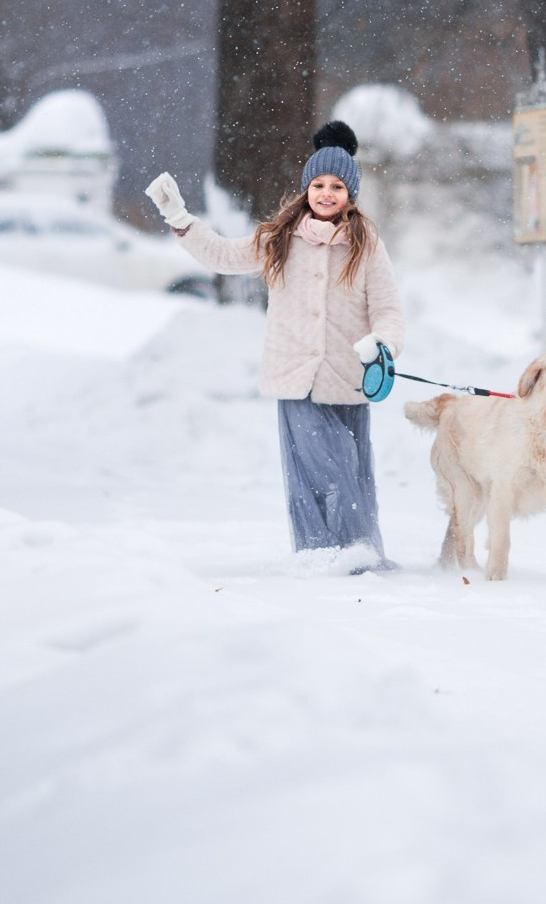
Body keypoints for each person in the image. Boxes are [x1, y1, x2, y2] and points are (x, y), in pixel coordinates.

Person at [145, 122, 405, 571]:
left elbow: (388, 308)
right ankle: (328, 554)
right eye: (319, 184)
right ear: (306, 189)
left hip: (348, 375)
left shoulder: (366, 246)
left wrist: (384, 344)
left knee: (350, 469)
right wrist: (180, 219)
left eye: (337, 186)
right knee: (317, 470)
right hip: (294, 376)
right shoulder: (280, 239)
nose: (327, 193)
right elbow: (224, 256)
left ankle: (353, 552)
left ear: (351, 194)